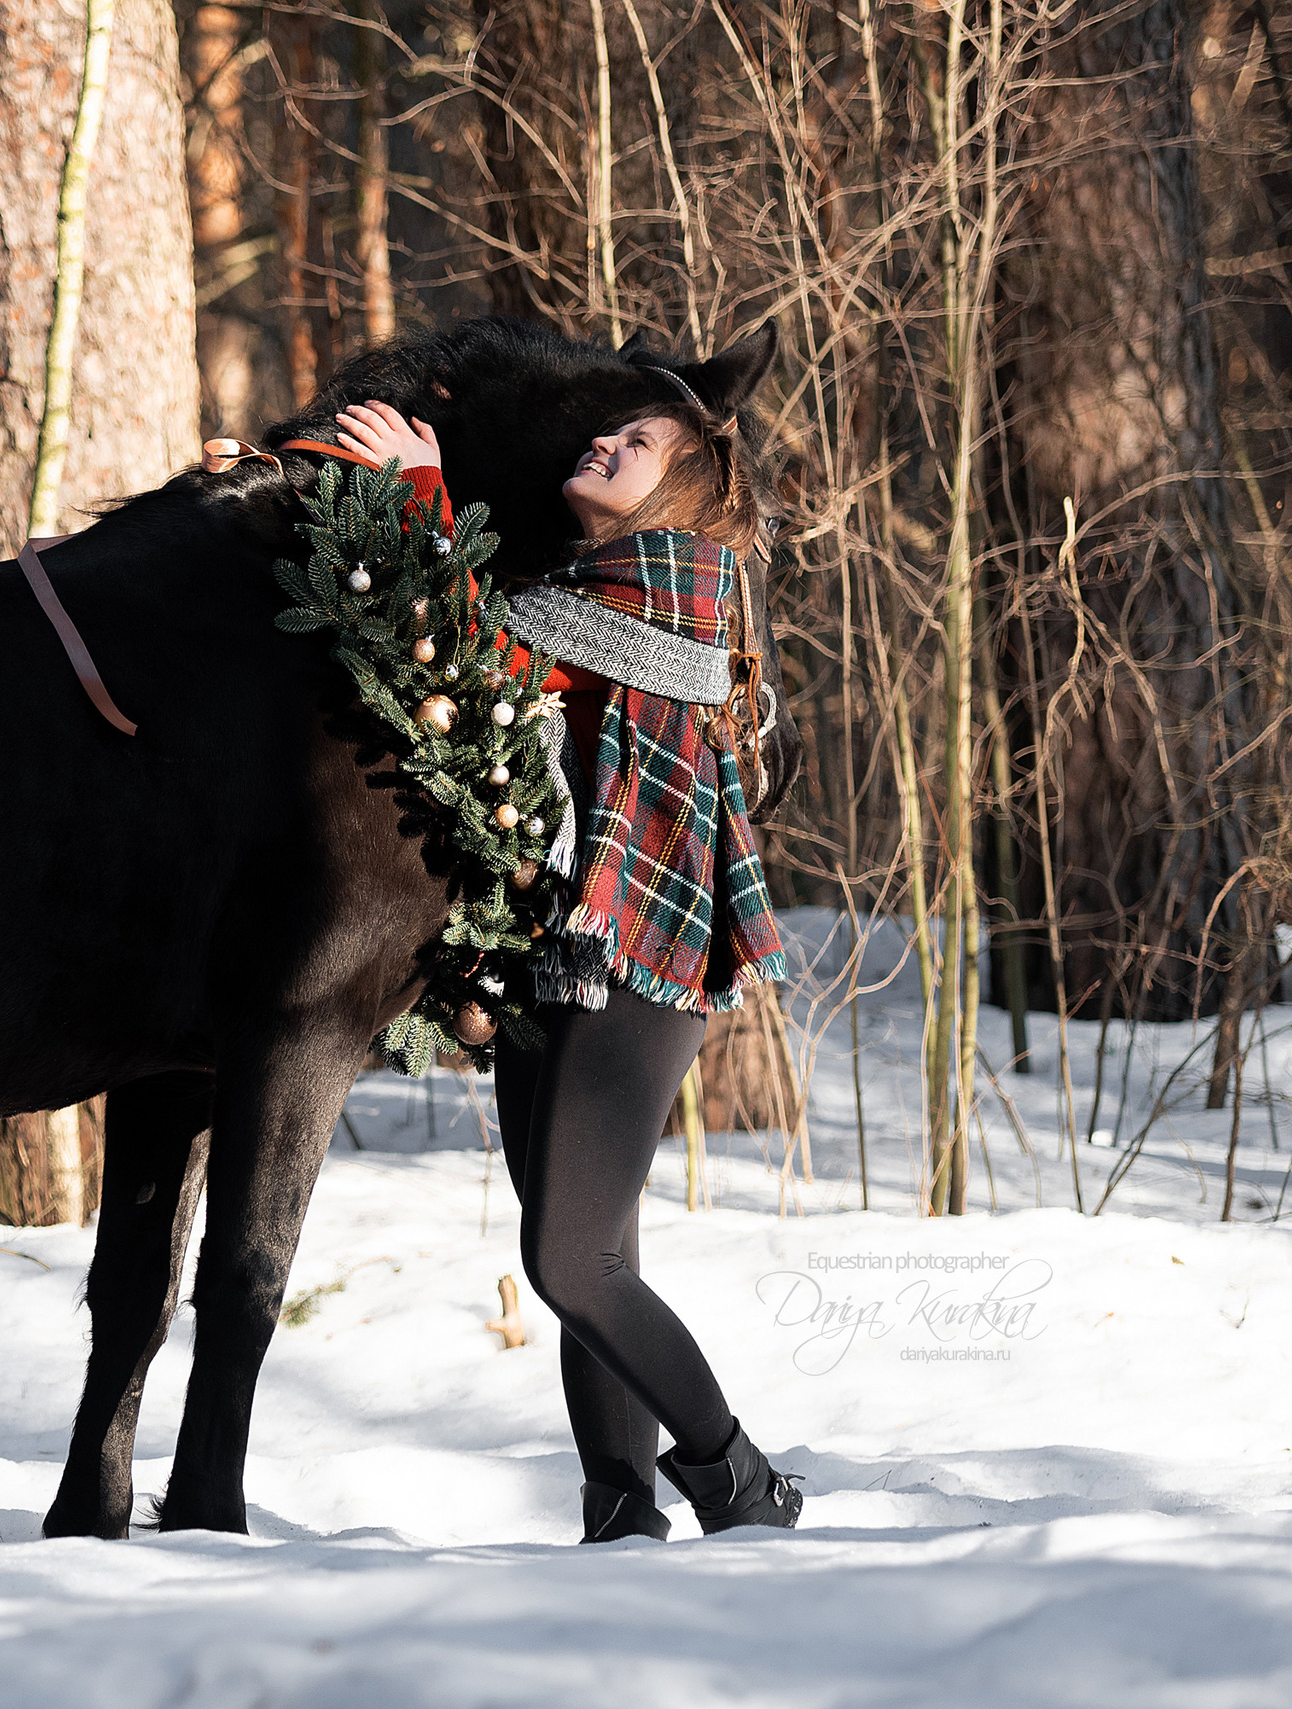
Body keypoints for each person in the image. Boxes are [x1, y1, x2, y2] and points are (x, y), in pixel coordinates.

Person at [326, 393, 803, 1546]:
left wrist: (420, 489)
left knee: (570, 1259)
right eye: (610, 432)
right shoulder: (576, 589)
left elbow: (478, 657)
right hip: (556, 955)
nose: (605, 443)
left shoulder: (674, 585)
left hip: (639, 954)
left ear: (680, 496)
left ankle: (740, 1479)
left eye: (636, 445)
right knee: (594, 1245)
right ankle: (619, 1514)